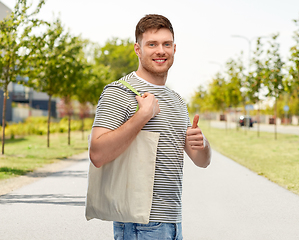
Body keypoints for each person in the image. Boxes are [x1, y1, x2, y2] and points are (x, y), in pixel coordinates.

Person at [89, 14, 211, 240]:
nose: (160, 51)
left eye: (166, 44)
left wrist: (202, 144)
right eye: (152, 44)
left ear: (175, 48)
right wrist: (142, 115)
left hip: (173, 221)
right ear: (138, 49)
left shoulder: (177, 100)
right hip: (139, 224)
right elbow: (97, 154)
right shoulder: (120, 92)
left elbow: (201, 161)